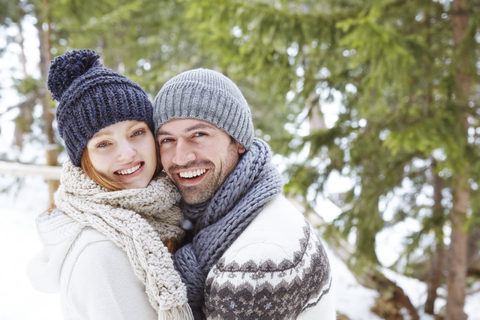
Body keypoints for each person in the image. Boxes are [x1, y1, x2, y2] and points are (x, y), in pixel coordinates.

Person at [153, 69, 335, 319]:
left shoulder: (254, 265)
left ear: (239, 141)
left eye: (198, 134)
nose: (180, 157)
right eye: (167, 140)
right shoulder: (236, 210)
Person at [27, 49, 193, 320]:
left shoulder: (168, 210)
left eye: (137, 132)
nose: (127, 153)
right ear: (83, 158)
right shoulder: (103, 254)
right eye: (104, 143)